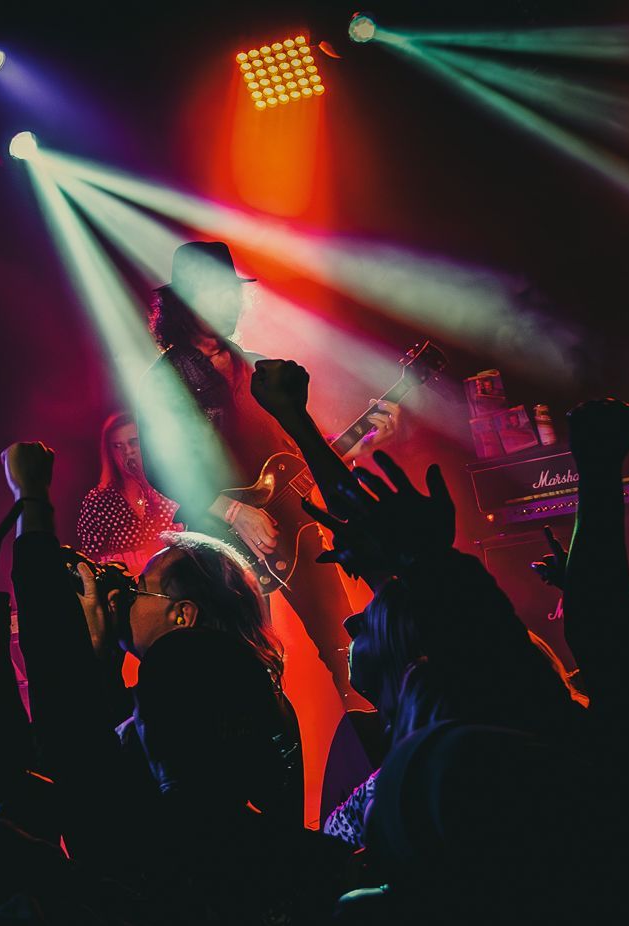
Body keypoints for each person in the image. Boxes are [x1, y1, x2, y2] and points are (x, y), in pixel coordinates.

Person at [136, 241, 395, 707]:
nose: (230, 302)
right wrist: (235, 511)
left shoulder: (257, 365)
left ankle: (378, 747)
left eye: (232, 292)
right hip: (223, 538)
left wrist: (363, 442)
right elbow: (161, 465)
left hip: (297, 528)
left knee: (348, 649)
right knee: (245, 664)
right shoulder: (166, 378)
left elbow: (296, 454)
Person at [72, 411, 180, 574]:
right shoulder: (97, 501)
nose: (127, 451)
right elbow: (89, 560)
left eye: (134, 442)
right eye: (117, 446)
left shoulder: (170, 489)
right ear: (109, 452)